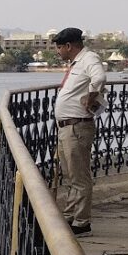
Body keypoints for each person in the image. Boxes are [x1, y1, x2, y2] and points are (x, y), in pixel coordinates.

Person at [51, 27, 107, 236]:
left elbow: (99, 78)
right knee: (70, 175)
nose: (58, 52)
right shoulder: (77, 63)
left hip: (77, 127)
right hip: (67, 127)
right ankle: (70, 215)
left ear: (68, 46)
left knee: (79, 176)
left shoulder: (89, 59)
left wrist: (91, 98)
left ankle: (82, 223)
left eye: (59, 48)